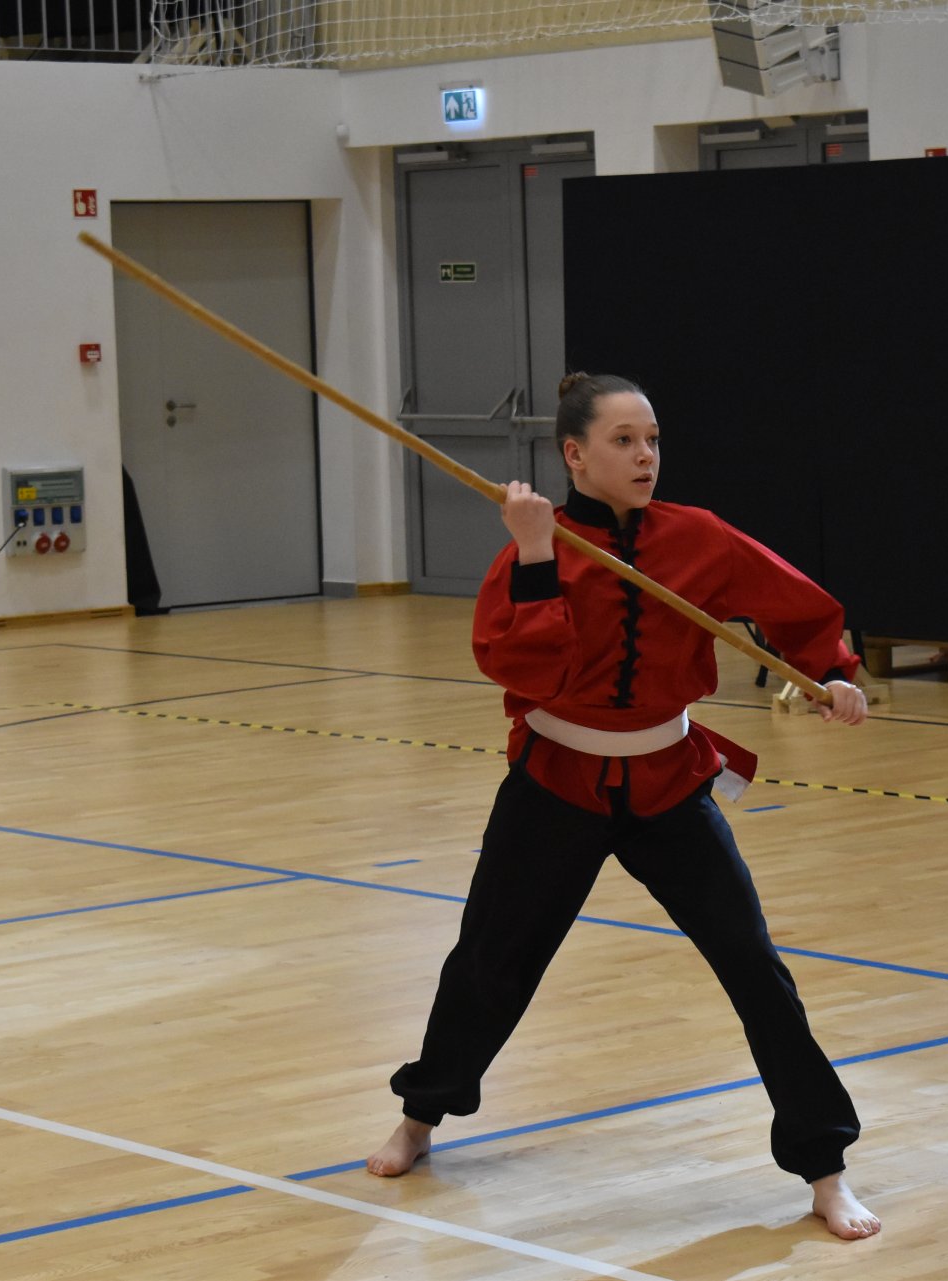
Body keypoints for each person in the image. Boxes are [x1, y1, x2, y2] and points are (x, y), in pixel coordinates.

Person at [366, 372, 881, 1240]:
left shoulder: (699, 537)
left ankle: (824, 1166)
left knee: (756, 967)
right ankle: (421, 1115)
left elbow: (796, 604)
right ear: (574, 454)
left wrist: (830, 670)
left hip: (670, 783)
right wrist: (535, 553)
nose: (644, 455)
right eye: (622, 441)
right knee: (492, 961)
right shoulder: (537, 546)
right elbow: (524, 671)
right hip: (555, 785)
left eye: (651, 439)